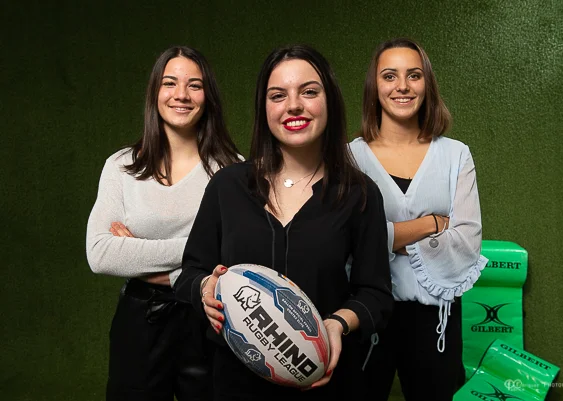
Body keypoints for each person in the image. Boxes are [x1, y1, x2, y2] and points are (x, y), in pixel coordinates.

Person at [174, 44, 393, 401]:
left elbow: (377, 294)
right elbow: (189, 273)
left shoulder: (359, 194)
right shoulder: (227, 187)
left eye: (309, 92)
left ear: (330, 102)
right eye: (278, 95)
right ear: (264, 109)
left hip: (327, 386)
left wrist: (337, 324)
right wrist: (205, 288)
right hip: (236, 386)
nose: (293, 105)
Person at [86, 46, 240, 401]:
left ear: (208, 96)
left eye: (194, 85)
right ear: (155, 92)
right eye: (170, 83)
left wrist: (137, 254)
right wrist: (200, 253)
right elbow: (100, 253)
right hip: (141, 321)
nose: (181, 95)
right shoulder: (121, 166)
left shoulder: (233, 171)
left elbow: (237, 257)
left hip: (211, 318)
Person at [349, 38, 488, 401]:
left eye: (414, 75)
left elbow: (466, 243)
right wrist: (431, 224)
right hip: (365, 313)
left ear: (427, 84)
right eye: (389, 76)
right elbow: (347, 243)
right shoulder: (348, 159)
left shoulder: (456, 155)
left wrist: (384, 239)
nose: (403, 86)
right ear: (374, 85)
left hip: (435, 319)